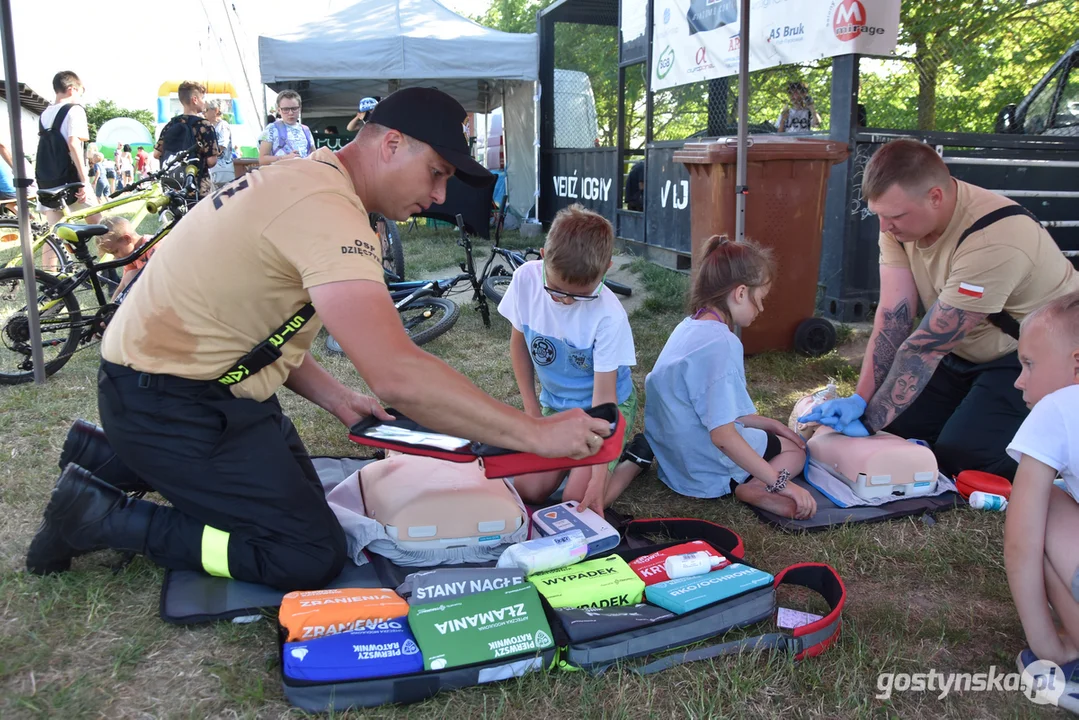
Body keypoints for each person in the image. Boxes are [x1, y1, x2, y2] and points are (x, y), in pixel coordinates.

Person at [25, 87, 611, 592]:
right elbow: (398, 373)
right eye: (436, 173)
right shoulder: (326, 208)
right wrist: (535, 432)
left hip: (199, 386)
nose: (438, 196)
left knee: (311, 504)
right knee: (305, 552)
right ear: (391, 145)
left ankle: (103, 455)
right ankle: (100, 516)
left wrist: (334, 396)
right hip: (166, 397)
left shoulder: (311, 179)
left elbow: (254, 321)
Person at [801, 139, 1079, 479]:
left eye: (895, 216)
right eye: (880, 216)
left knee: (963, 456)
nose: (886, 227)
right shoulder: (897, 223)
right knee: (898, 429)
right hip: (961, 350)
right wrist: (862, 400)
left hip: (1027, 358)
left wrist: (870, 420)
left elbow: (927, 345)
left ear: (935, 196)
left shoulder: (994, 238)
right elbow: (894, 318)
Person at [645, 235, 816, 520]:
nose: (760, 309)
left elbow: (713, 408)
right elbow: (723, 436)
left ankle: (757, 478)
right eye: (759, 300)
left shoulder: (689, 327)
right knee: (796, 451)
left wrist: (773, 424)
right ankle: (756, 487)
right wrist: (780, 482)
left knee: (776, 437)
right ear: (740, 293)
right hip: (707, 469)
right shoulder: (722, 343)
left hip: (677, 467)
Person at [497, 204, 649, 515]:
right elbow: (519, 345)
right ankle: (574, 460)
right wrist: (532, 412)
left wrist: (596, 476)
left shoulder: (609, 316)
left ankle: (634, 461)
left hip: (607, 410)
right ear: (542, 256)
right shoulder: (525, 279)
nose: (565, 301)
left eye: (579, 295)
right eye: (554, 290)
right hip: (558, 407)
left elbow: (604, 403)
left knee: (579, 501)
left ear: (606, 269)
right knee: (529, 490)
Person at [1005, 290, 1079, 705]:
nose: (1019, 379)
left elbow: (1021, 542)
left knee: (1045, 503)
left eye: (1029, 364)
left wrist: (1045, 645)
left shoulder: (1058, 407)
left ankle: (1066, 652)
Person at [35, 70, 97, 270]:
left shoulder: (45, 114)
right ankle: (109, 273)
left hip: (49, 180)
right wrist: (85, 181)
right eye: (80, 92)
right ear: (72, 89)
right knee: (100, 224)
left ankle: (50, 280)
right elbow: (73, 144)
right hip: (72, 180)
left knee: (53, 235)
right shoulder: (75, 109)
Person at [154, 81, 219, 197]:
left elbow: (156, 154)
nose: (204, 102)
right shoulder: (205, 126)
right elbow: (211, 161)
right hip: (197, 187)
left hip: (172, 186)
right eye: (202, 98)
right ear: (195, 99)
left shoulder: (171, 124)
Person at [96, 216, 156, 301]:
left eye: (116, 251)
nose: (116, 257)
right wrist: (111, 307)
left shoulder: (153, 246)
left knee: (130, 276)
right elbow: (122, 287)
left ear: (127, 239)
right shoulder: (131, 257)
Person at [258, 90, 315, 165]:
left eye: (294, 108)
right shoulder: (271, 129)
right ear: (279, 110)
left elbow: (314, 155)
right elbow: (262, 159)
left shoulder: (305, 130)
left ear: (300, 109)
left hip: (303, 173)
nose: (290, 113)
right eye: (286, 109)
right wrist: (285, 158)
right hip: (280, 174)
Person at [203, 100, 235, 190]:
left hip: (223, 171)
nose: (203, 113)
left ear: (216, 111)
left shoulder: (223, 126)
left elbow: (221, 146)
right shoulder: (208, 127)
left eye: (206, 110)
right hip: (213, 171)